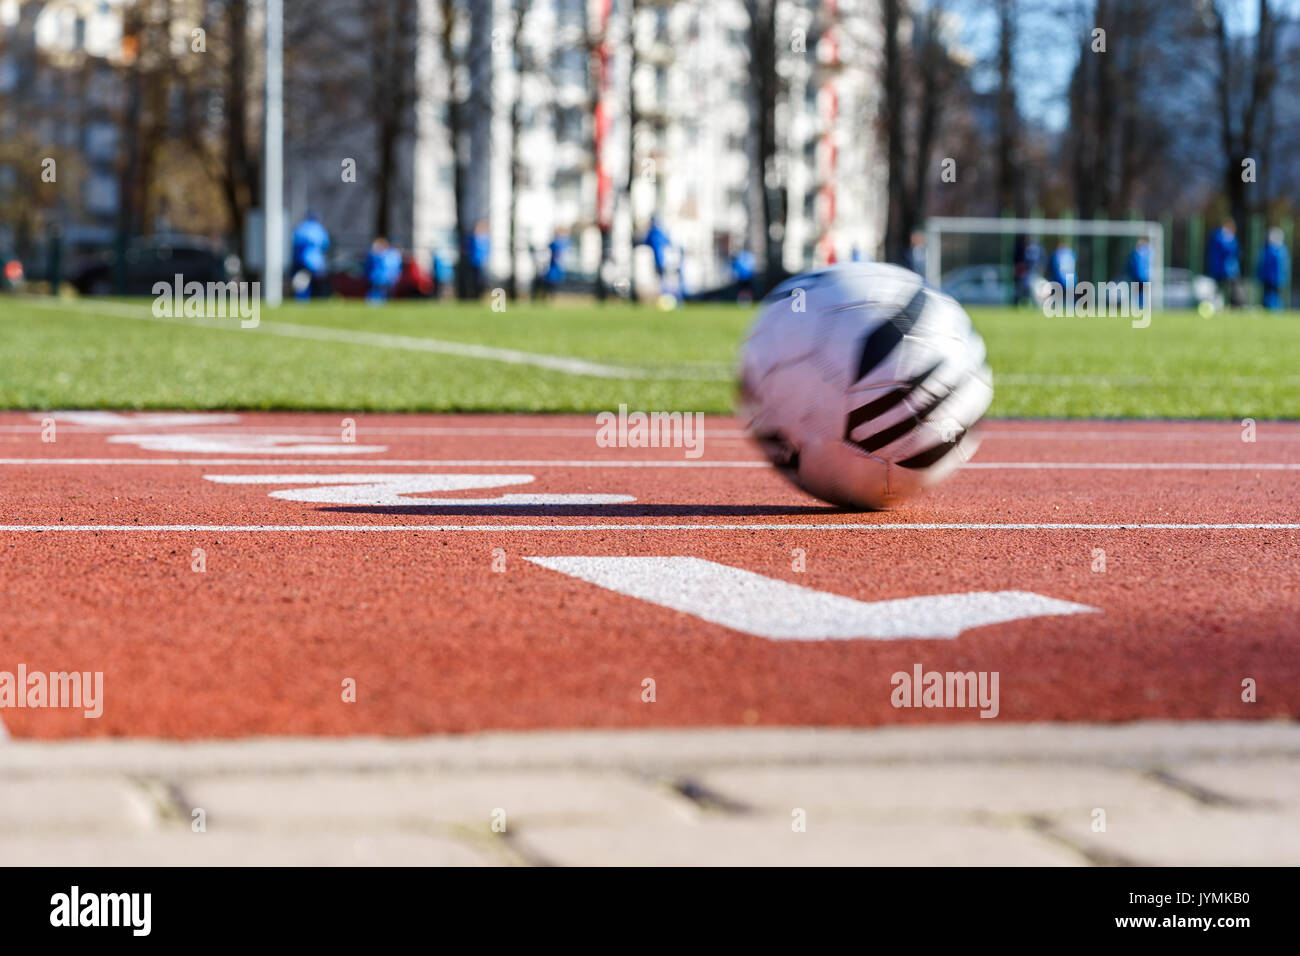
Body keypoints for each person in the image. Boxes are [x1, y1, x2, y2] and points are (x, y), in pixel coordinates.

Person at [291, 211, 331, 300]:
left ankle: (301, 299)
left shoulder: (301, 228)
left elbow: (294, 243)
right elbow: (326, 244)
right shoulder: (320, 229)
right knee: (315, 284)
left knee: (303, 281)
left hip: (301, 260)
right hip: (316, 263)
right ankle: (313, 299)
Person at [1207, 218, 1241, 307]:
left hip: (1228, 269)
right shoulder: (1221, 237)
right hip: (1223, 269)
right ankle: (1219, 305)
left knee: (1230, 289)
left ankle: (1229, 306)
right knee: (1221, 289)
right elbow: (1230, 250)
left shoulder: (1224, 237)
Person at [365, 237, 401, 304]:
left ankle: (382, 302)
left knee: (383, 291)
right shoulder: (374, 255)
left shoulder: (389, 255)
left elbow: (394, 267)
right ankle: (375, 302)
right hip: (376, 277)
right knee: (376, 290)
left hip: (384, 277)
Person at [640, 216, 671, 288]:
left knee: (658, 277)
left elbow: (646, 242)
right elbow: (668, 242)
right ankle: (663, 291)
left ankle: (662, 291)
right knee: (663, 277)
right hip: (663, 259)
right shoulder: (661, 233)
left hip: (657, 259)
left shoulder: (652, 233)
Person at [1014, 235, 1042, 306]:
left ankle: (1035, 304)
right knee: (1024, 288)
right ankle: (1021, 302)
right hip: (1027, 273)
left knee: (1034, 289)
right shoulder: (1025, 249)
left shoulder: (1037, 249)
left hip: (1034, 273)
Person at [1126, 236, 1152, 309]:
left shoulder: (1148, 252)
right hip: (1137, 277)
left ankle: (1144, 307)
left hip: (1145, 277)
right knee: (1137, 293)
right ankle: (1136, 307)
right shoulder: (1136, 253)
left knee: (1143, 293)